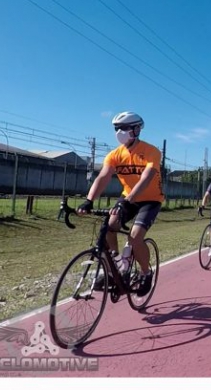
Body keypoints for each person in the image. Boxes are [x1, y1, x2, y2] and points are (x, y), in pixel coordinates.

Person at [77, 111, 163, 296]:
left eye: (124, 128)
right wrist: (89, 200)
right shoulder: (115, 155)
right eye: (116, 128)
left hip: (150, 200)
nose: (119, 132)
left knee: (135, 237)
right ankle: (117, 267)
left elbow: (147, 177)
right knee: (108, 227)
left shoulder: (152, 151)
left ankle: (146, 273)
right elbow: (103, 177)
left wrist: (128, 199)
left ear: (137, 129)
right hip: (127, 198)